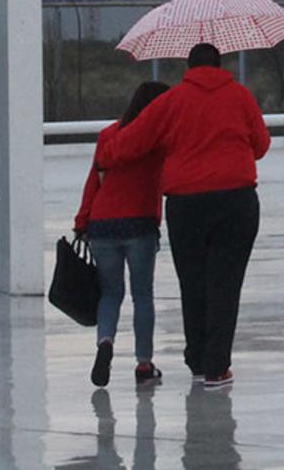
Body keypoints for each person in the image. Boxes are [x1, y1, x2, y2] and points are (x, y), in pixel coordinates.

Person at [98, 42, 270, 389]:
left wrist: (106, 153)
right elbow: (261, 146)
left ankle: (197, 359)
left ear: (188, 69)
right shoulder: (240, 96)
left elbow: (127, 143)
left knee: (192, 282)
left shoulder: (171, 101)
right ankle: (217, 368)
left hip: (186, 205)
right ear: (220, 66)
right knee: (225, 283)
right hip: (237, 202)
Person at [76, 80, 169, 389]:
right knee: (142, 295)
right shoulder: (157, 143)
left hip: (102, 225)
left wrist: (82, 221)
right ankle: (144, 364)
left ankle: (105, 342)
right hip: (139, 224)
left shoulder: (108, 136)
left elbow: (94, 182)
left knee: (111, 294)